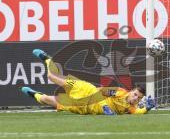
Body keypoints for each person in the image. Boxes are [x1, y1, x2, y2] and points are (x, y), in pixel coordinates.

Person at [20, 49, 155, 115]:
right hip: (84, 89)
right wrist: (105, 107)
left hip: (83, 107)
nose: (135, 98)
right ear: (131, 91)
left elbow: (137, 112)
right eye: (136, 94)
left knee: (46, 99)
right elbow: (102, 91)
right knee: (51, 77)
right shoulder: (119, 92)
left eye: (138, 98)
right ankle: (48, 59)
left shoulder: (129, 108)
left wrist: (147, 109)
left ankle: (35, 94)